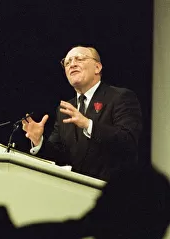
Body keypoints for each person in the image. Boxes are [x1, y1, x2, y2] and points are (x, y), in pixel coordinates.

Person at [22, 45, 142, 181]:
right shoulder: (66, 110)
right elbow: (58, 156)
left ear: (97, 67)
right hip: (74, 192)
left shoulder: (120, 97)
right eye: (67, 62)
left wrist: (88, 124)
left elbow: (128, 142)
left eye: (79, 59)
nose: (72, 64)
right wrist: (39, 141)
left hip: (112, 193)